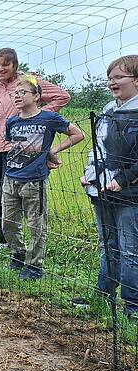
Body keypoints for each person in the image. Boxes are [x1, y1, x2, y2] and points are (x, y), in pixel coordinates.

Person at [0, 48, 71, 254]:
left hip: (19, 149)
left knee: (16, 198)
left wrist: (38, 115)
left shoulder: (26, 84)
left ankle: (25, 244)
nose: (1, 69)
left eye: (6, 64)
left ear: (15, 65)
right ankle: (5, 240)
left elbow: (62, 96)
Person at [1, 75, 83, 281]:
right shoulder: (12, 121)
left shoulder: (49, 118)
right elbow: (13, 146)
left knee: (36, 225)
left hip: (34, 181)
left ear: (37, 96)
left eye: (22, 93)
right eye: (15, 93)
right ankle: (18, 254)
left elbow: (77, 134)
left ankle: (34, 266)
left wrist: (53, 150)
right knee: (8, 224)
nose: (17, 96)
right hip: (10, 178)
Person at [79, 55, 138, 318]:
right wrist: (91, 174)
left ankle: (132, 307)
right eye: (110, 78)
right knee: (108, 244)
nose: (112, 83)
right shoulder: (108, 110)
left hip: (130, 194)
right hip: (103, 190)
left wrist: (122, 180)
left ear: (136, 80)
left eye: (118, 78)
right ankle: (103, 297)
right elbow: (98, 149)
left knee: (130, 249)